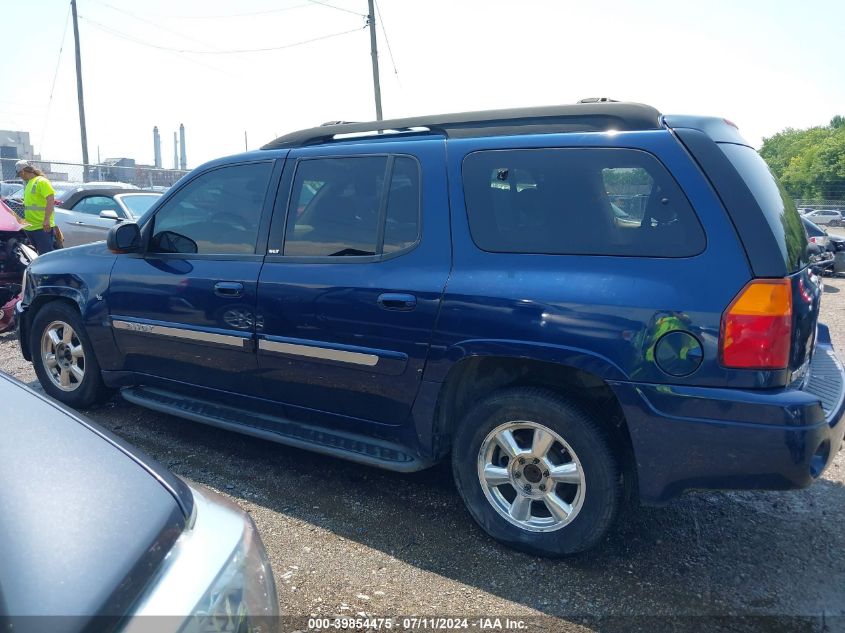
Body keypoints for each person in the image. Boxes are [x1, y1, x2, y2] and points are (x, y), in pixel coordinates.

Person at [15, 159, 56, 254]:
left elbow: (50, 200)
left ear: (23, 172)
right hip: (31, 227)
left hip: (42, 227)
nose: (20, 177)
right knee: (38, 255)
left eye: (20, 174)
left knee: (46, 255)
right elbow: (36, 202)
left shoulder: (42, 181)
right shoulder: (30, 183)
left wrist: (46, 220)